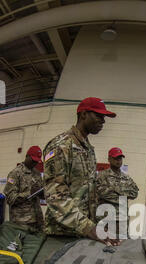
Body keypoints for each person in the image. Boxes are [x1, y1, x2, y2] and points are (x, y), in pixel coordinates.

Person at [43, 97, 117, 243]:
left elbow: (87, 191)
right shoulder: (61, 146)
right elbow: (57, 198)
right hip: (61, 235)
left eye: (104, 117)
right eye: (99, 116)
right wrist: (89, 228)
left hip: (82, 233)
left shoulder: (87, 149)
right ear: (83, 114)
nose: (103, 121)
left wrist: (98, 224)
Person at [96, 147, 139, 238]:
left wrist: (115, 191)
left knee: (121, 247)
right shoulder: (102, 176)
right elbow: (103, 194)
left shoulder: (126, 178)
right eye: (115, 158)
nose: (118, 161)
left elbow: (135, 193)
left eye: (120, 158)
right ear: (109, 159)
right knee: (103, 247)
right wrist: (124, 194)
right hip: (106, 220)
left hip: (122, 221)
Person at [4, 146, 44, 232]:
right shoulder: (15, 173)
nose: (34, 163)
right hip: (21, 222)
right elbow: (10, 198)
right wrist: (29, 193)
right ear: (27, 156)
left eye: (36, 161)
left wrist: (42, 193)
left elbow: (41, 193)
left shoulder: (37, 174)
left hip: (37, 220)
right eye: (33, 160)